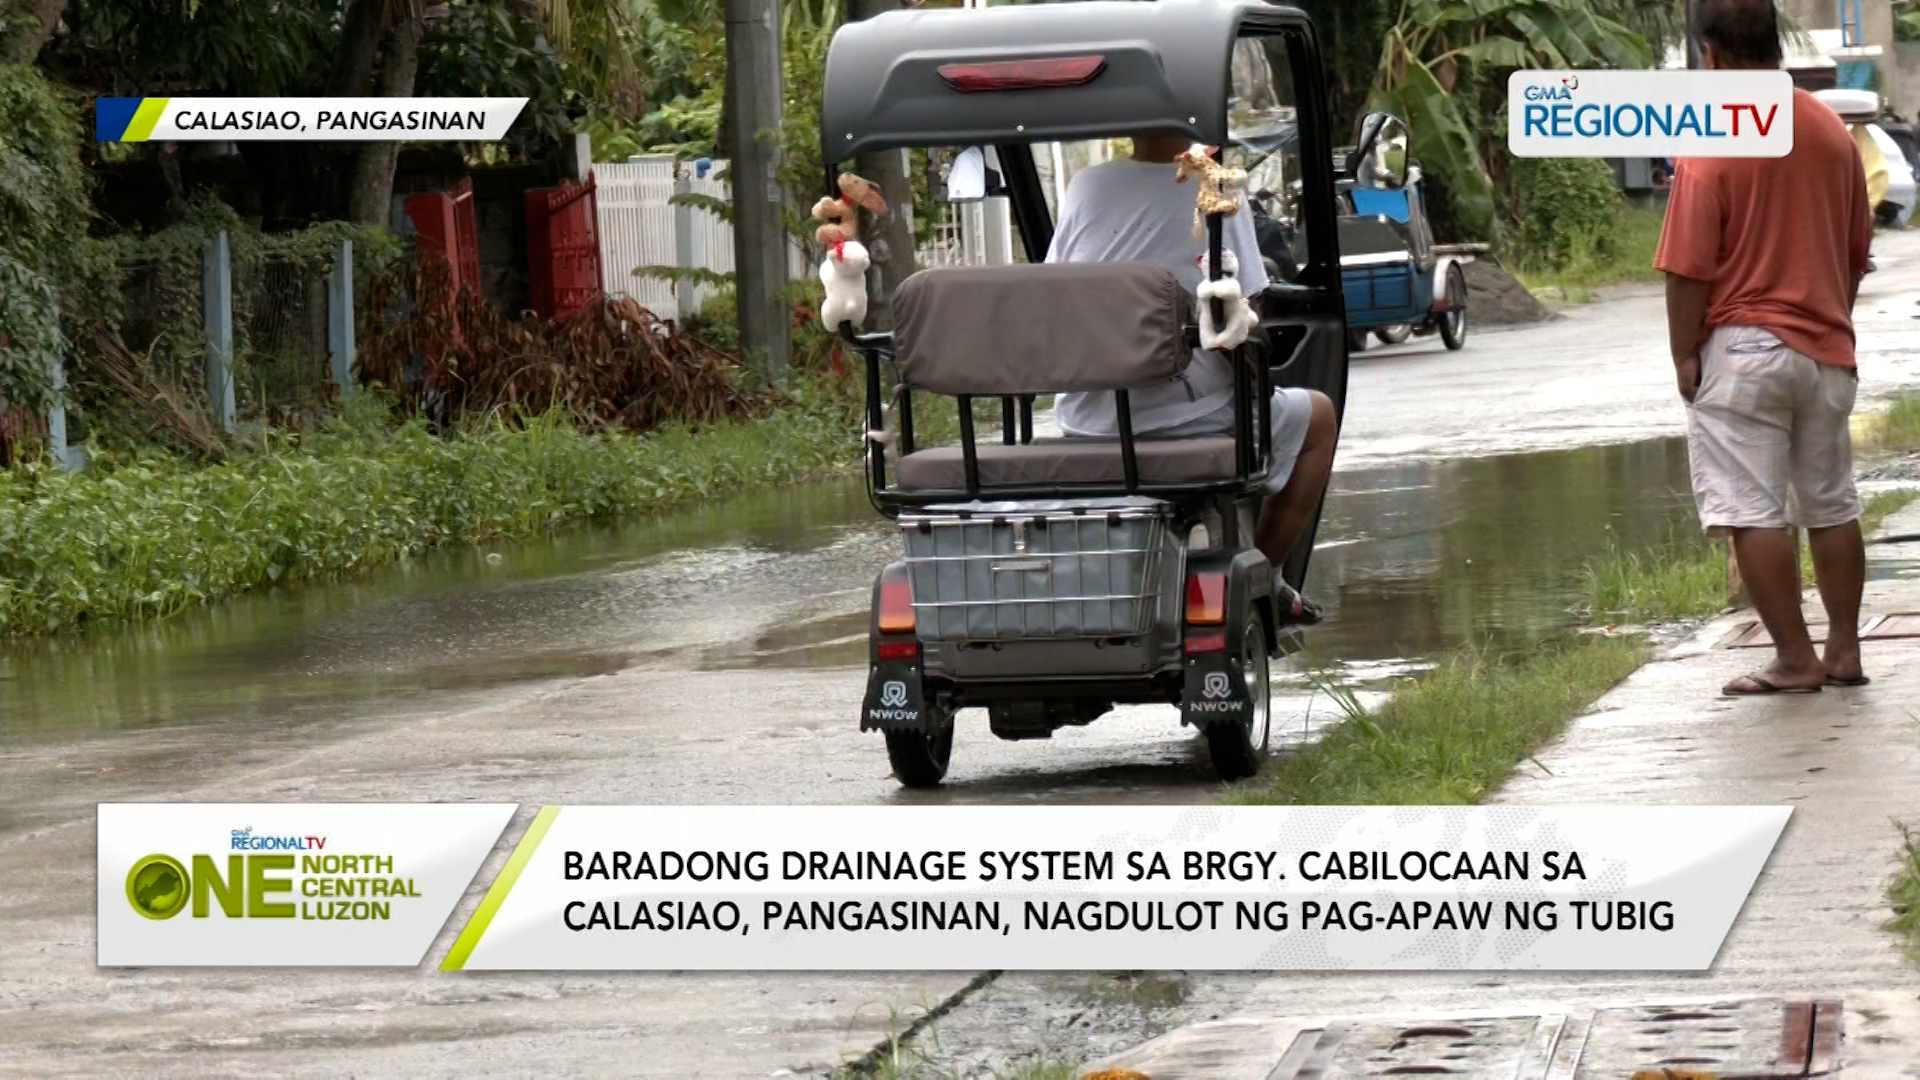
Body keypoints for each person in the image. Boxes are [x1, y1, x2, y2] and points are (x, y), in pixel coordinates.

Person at [1655, 0, 1874, 695]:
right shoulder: (1829, 130)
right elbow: (1855, 252)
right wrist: (1827, 319)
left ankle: (1794, 659)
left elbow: (1689, 267)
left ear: (1710, 55)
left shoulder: (1713, 138)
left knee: (1751, 510)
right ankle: (1844, 651)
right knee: (1832, 503)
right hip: (1827, 349)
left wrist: (1684, 354)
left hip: (1745, 348)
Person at [1046, 133, 1339, 623]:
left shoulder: (1087, 185)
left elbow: (1058, 288)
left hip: (1089, 418)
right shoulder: (1218, 188)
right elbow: (1243, 308)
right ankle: (1270, 578)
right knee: (1319, 417)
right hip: (1188, 415)